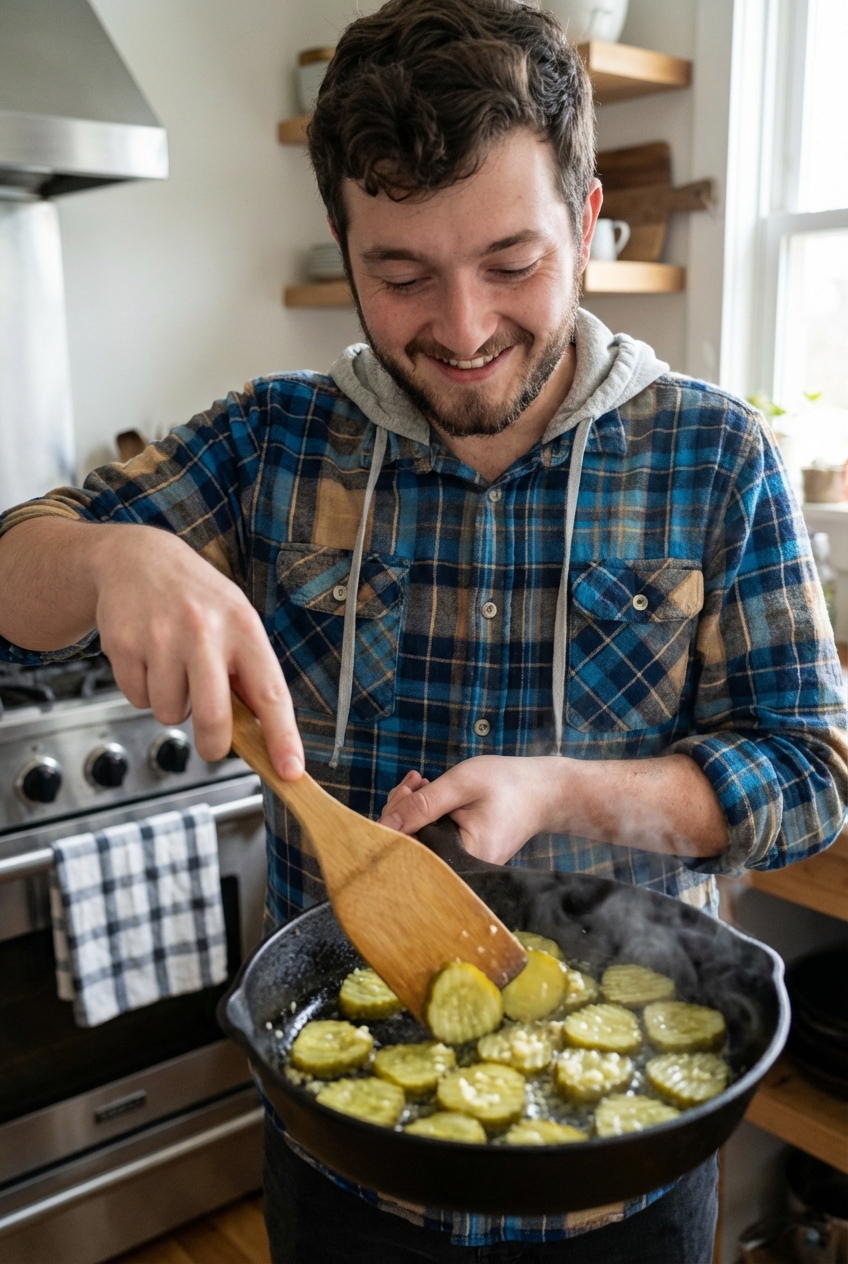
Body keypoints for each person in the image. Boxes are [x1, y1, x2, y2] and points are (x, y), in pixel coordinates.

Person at [0, 0, 845, 1259]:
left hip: (625, 1169)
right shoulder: (271, 439)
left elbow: (811, 777)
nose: (459, 329)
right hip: (347, 1158)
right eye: (400, 274)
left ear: (585, 214)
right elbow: (16, 586)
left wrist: (565, 790)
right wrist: (110, 555)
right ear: (343, 247)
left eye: (511, 262)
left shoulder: (713, 454)